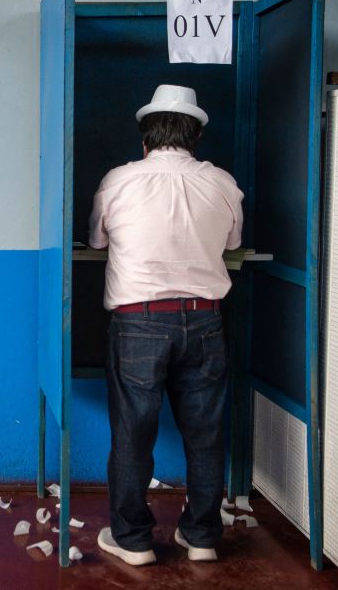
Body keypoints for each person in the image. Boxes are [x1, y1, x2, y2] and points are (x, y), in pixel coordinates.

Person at [88, 84, 244, 566]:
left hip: (139, 323)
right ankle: (201, 537)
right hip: (205, 321)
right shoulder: (222, 183)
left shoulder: (118, 181)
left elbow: (96, 242)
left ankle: (133, 540)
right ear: (195, 137)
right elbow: (233, 241)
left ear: (145, 139)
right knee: (205, 434)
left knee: (134, 433)